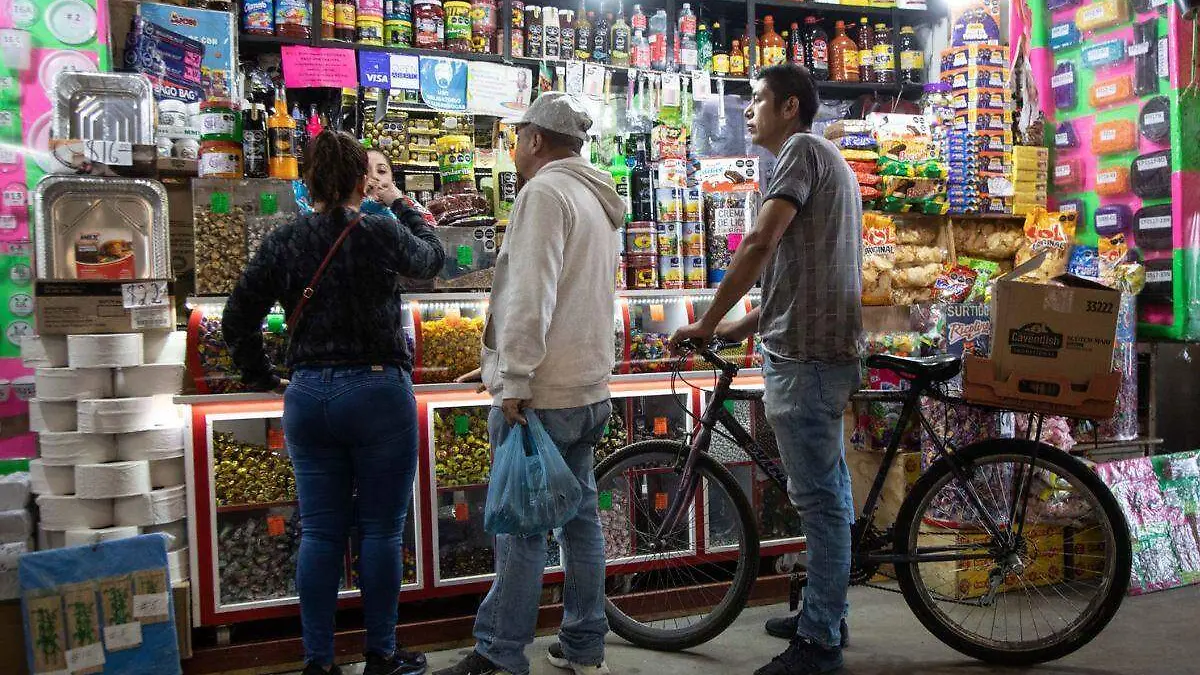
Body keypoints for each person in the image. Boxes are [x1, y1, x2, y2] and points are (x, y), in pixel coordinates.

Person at [223, 130, 446, 675]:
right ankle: (382, 654)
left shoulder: (283, 240)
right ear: (357, 182)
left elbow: (237, 317)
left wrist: (263, 377)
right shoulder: (378, 232)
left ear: (307, 181)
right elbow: (434, 259)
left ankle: (318, 662)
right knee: (380, 530)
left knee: (320, 532)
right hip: (376, 392)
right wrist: (399, 200)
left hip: (308, 396)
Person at [670, 63, 863, 675]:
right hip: (812, 348)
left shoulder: (802, 150)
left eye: (757, 100)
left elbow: (760, 244)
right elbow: (797, 274)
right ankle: (825, 611)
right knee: (825, 494)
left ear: (789, 108)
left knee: (820, 502)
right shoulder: (819, 158)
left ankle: (818, 644)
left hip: (808, 360)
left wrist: (706, 319)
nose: (747, 111)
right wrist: (736, 327)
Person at [435, 92, 625, 675]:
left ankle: (499, 653)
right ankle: (585, 645)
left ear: (536, 140)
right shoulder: (597, 199)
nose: (514, 147)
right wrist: (496, 365)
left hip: (543, 397)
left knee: (521, 531)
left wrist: (513, 376)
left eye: (518, 136)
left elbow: (532, 296)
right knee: (580, 523)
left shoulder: (545, 192)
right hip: (587, 389)